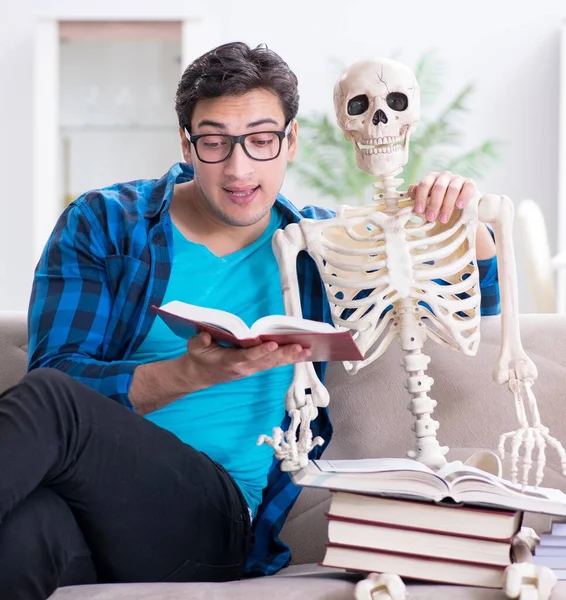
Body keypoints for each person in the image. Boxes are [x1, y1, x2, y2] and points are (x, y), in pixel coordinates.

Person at [1, 42, 499, 598]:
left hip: (211, 523)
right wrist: (189, 374)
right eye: (214, 143)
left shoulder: (321, 248)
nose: (239, 170)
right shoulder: (105, 223)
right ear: (187, 145)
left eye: (262, 141)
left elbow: (465, 313)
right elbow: (61, 374)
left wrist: (469, 227)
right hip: (83, 501)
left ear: (290, 142)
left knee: (48, 401)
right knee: (22, 536)